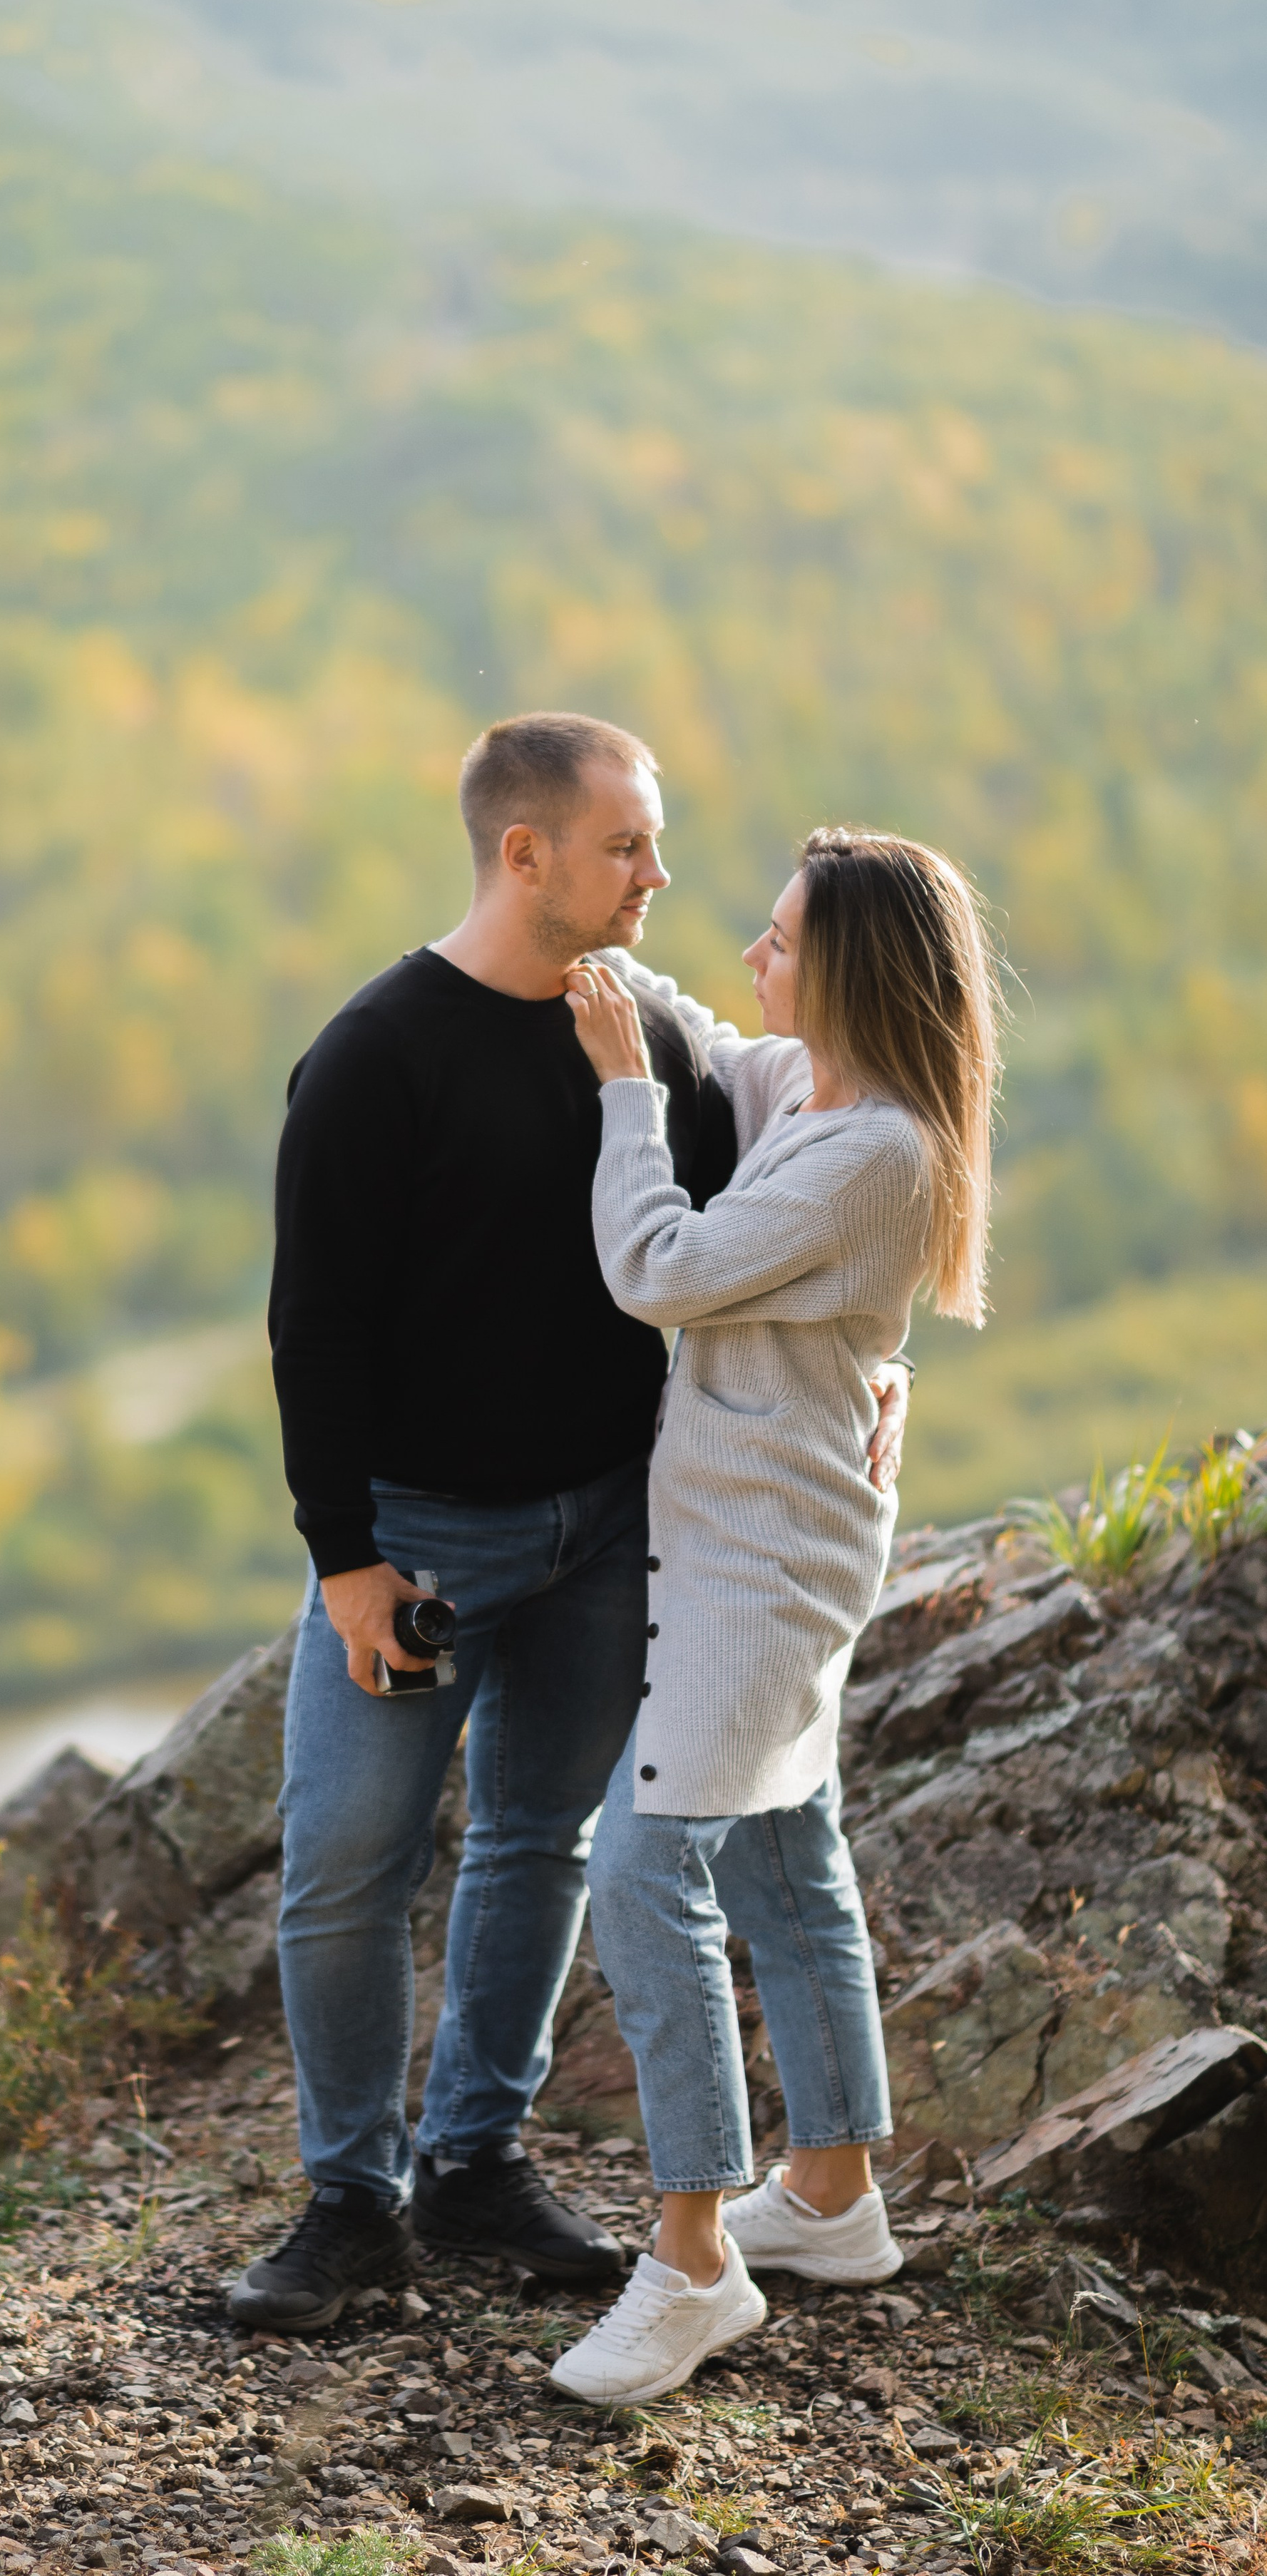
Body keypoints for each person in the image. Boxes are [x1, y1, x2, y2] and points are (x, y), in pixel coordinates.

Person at [229, 719, 911, 2334]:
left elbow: (811, 1212)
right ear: (520, 852)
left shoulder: (649, 1040)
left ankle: (474, 2161)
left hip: (613, 1526)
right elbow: (310, 1329)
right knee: (343, 1861)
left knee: (534, 1843)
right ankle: (349, 2200)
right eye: (626, 847)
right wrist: (345, 1557)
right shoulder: (374, 1055)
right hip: (420, 1537)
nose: (658, 876)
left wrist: (874, 1375)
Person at [545, 826, 1000, 2405]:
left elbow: (657, 1269)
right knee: (787, 1858)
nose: (754, 952)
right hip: (776, 1538)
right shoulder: (820, 1098)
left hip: (759, 1569)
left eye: (783, 937)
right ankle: (829, 2196)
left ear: (856, 971)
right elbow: (730, 1052)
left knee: (643, 1864)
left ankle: (688, 2264)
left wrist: (618, 1086)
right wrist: (605, 958)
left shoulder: (875, 1157)